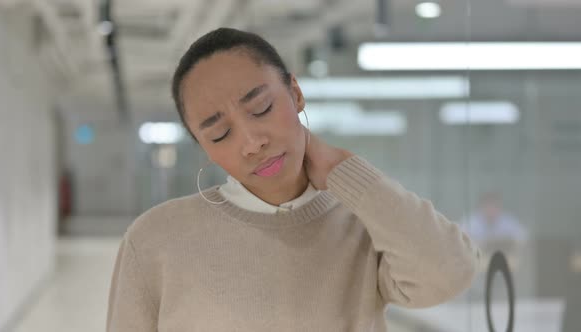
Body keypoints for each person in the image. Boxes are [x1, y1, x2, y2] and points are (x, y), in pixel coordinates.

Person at [106, 27, 480, 332]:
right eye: (220, 134)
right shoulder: (156, 238)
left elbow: (451, 271)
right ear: (204, 148)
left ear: (296, 93)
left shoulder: (363, 223)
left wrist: (343, 169)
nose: (252, 143)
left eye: (262, 108)